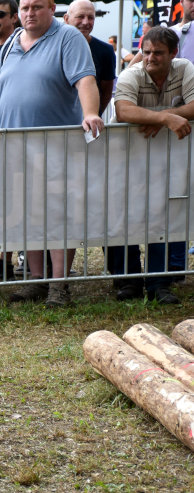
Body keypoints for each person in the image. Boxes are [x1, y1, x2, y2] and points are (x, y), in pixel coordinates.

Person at [0, 0, 103, 306]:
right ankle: (36, 281)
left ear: (52, 8)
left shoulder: (68, 37)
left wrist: (91, 112)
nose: (29, 13)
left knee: (58, 216)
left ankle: (58, 285)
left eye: (37, 7)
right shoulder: (11, 41)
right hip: (14, 146)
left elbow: (85, 80)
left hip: (56, 147)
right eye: (25, 7)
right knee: (28, 216)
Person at [113, 27, 194, 304]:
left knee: (163, 213)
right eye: (146, 52)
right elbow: (122, 110)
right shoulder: (130, 74)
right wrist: (165, 120)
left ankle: (160, 282)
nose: (150, 58)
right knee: (122, 214)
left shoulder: (185, 68)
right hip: (121, 156)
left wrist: (158, 117)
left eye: (158, 53)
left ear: (173, 53)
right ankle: (128, 280)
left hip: (164, 159)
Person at [63, 0, 115, 115]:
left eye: (90, 17)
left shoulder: (105, 50)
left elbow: (106, 91)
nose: (86, 22)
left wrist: (94, 114)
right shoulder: (54, 47)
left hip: (88, 123)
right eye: (80, 16)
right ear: (66, 19)